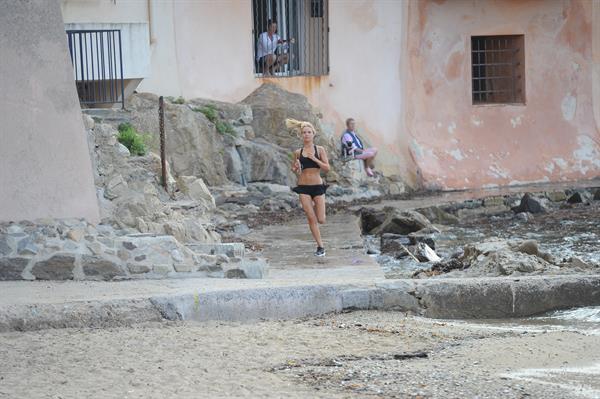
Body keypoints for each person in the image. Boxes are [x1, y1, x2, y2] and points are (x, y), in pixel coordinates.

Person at [287, 118, 330, 257]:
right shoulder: (298, 152)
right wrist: (296, 167)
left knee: (321, 219)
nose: (306, 134)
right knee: (311, 218)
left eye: (309, 132)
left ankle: (320, 211)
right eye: (304, 132)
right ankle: (320, 246)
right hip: (303, 187)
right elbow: (294, 168)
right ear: (301, 135)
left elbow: (327, 168)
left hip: (318, 187)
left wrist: (314, 158)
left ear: (313, 134)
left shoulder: (320, 150)